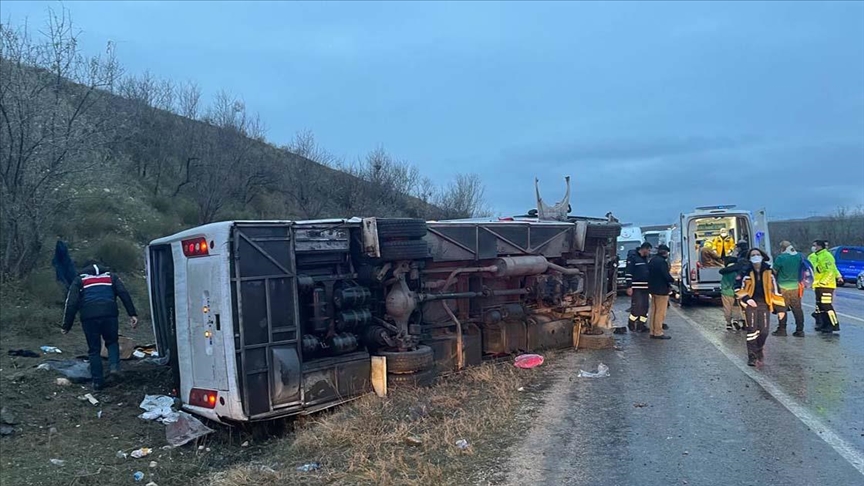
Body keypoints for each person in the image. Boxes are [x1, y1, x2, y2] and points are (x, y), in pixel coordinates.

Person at [62, 262, 138, 391]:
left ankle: (97, 382)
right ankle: (114, 367)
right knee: (112, 341)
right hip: (110, 314)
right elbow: (123, 293)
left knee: (94, 349)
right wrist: (132, 314)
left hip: (89, 316)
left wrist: (66, 325)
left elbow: (71, 303)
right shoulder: (111, 277)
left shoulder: (80, 280)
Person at [734, 249, 786, 367]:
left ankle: (759, 348)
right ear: (749, 258)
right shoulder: (744, 272)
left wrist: (781, 309)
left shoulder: (769, 271)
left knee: (764, 331)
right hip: (750, 304)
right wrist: (747, 299)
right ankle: (752, 357)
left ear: (762, 257)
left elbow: (776, 290)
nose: (756, 257)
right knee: (752, 330)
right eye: (753, 255)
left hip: (765, 303)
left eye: (758, 255)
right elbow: (737, 288)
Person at [808, 240, 843, 333]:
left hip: (826, 286)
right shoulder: (815, 256)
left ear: (819, 246)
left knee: (826, 305)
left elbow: (830, 271)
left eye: (814, 245)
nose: (813, 247)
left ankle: (834, 324)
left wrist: (823, 282)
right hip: (818, 285)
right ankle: (824, 324)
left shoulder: (826, 256)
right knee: (820, 306)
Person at [771, 241, 805, 337]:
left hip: (783, 287)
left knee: (782, 309)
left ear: (782, 248)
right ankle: (800, 330)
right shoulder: (798, 256)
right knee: (797, 309)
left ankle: (782, 330)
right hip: (795, 287)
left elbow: (774, 271)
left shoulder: (781, 258)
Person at [620, 242, 652, 334]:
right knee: (637, 307)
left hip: (645, 287)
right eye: (648, 250)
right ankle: (631, 323)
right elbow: (628, 273)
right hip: (636, 287)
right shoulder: (633, 258)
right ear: (644, 249)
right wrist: (629, 286)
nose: (649, 252)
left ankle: (641, 325)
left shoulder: (645, 259)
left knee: (645, 308)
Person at [647, 244, 674, 340]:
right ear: (665, 252)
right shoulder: (662, 262)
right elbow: (666, 276)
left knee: (654, 310)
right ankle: (658, 332)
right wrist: (672, 280)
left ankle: (652, 331)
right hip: (662, 290)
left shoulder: (652, 260)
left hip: (653, 289)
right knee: (660, 312)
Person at [720, 256, 744, 331]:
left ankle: (728, 324)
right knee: (736, 307)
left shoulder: (724, 272)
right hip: (735, 292)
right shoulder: (737, 271)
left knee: (727, 308)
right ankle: (736, 320)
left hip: (725, 293)